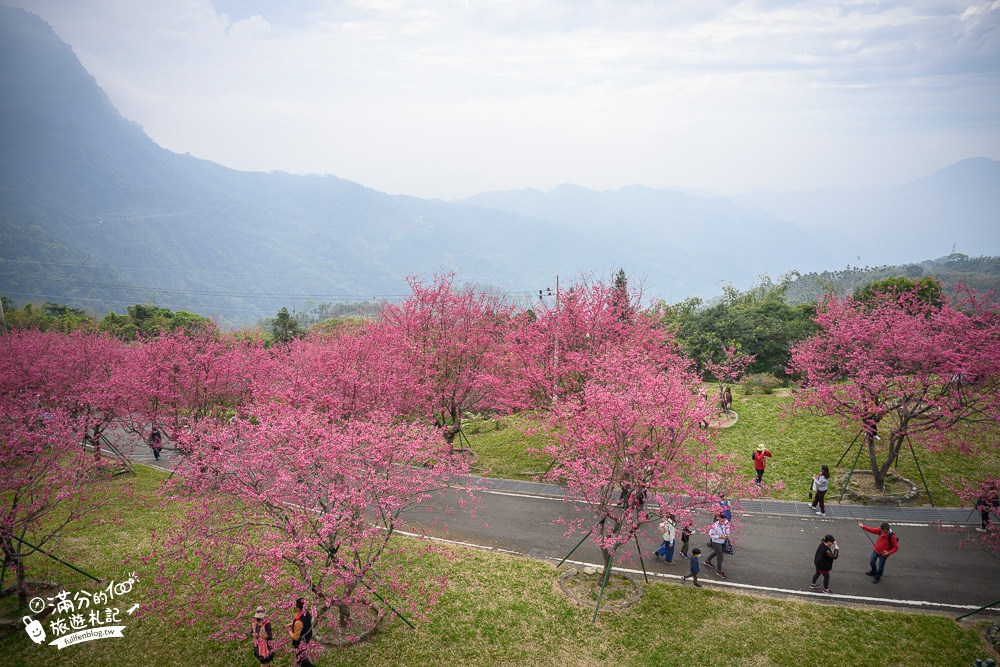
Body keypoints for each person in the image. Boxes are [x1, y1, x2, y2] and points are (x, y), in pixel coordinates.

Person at [287, 597, 315, 667]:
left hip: (300, 643)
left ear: (298, 608)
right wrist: (293, 624)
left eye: (295, 605)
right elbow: (303, 622)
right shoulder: (306, 613)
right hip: (306, 638)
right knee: (302, 660)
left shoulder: (298, 622)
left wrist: (289, 631)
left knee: (302, 661)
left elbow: (296, 637)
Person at [703, 513, 731, 579]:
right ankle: (719, 571)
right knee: (720, 557)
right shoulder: (714, 526)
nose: (724, 521)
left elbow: (728, 528)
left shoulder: (725, 522)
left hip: (722, 541)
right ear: (719, 518)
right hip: (716, 542)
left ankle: (707, 561)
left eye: (724, 519)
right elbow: (710, 535)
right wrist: (719, 536)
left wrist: (727, 534)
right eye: (722, 519)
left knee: (716, 552)